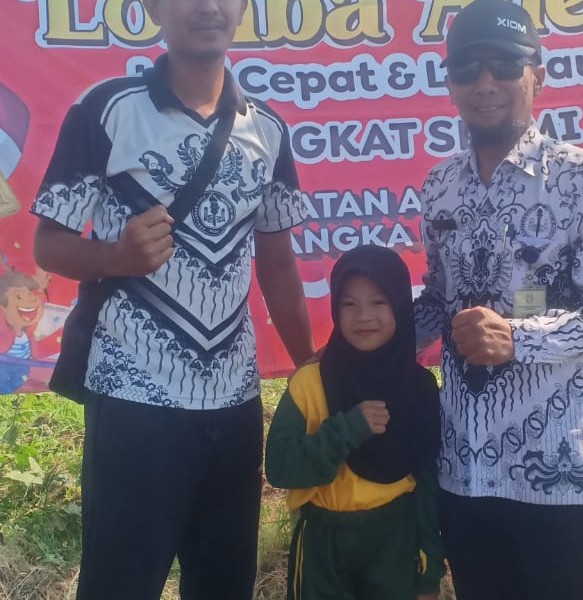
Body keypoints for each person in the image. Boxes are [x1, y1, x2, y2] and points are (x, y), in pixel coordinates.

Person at [30, 0, 313, 597]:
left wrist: (309, 364)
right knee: (120, 584)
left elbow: (278, 263)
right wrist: (115, 257)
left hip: (234, 403)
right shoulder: (107, 110)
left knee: (224, 584)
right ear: (155, 7)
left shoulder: (267, 128)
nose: (208, 7)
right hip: (134, 398)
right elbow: (47, 246)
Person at [413, 1, 583, 599]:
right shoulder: (439, 186)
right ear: (450, 84)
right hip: (465, 467)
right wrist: (364, 343)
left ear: (538, 74)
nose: (485, 82)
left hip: (557, 466)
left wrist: (519, 339)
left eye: (505, 65)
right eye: (467, 68)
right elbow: (438, 299)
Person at [265, 245, 444, 600]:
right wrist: (344, 431)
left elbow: (428, 482)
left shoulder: (419, 388)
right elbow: (280, 468)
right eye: (349, 304)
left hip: (394, 541)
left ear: (400, 305)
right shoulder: (310, 383)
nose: (364, 316)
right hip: (324, 545)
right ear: (335, 308)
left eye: (379, 302)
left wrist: (430, 570)